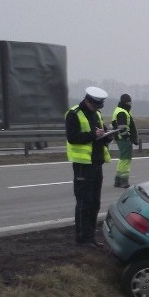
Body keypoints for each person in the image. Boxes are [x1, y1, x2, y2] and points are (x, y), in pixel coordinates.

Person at [65, 86, 111, 248]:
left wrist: (108, 135)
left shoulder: (96, 114)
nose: (98, 109)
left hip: (96, 163)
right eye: (96, 105)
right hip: (83, 165)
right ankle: (82, 238)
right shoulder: (74, 114)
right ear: (88, 101)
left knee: (94, 202)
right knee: (85, 202)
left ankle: (90, 236)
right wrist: (94, 135)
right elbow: (72, 138)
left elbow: (101, 136)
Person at [111, 93, 139, 188]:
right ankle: (124, 181)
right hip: (123, 139)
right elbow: (122, 128)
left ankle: (118, 180)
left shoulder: (120, 110)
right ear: (126, 102)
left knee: (122, 159)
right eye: (129, 102)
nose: (130, 105)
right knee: (125, 160)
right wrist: (127, 137)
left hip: (120, 138)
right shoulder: (122, 112)